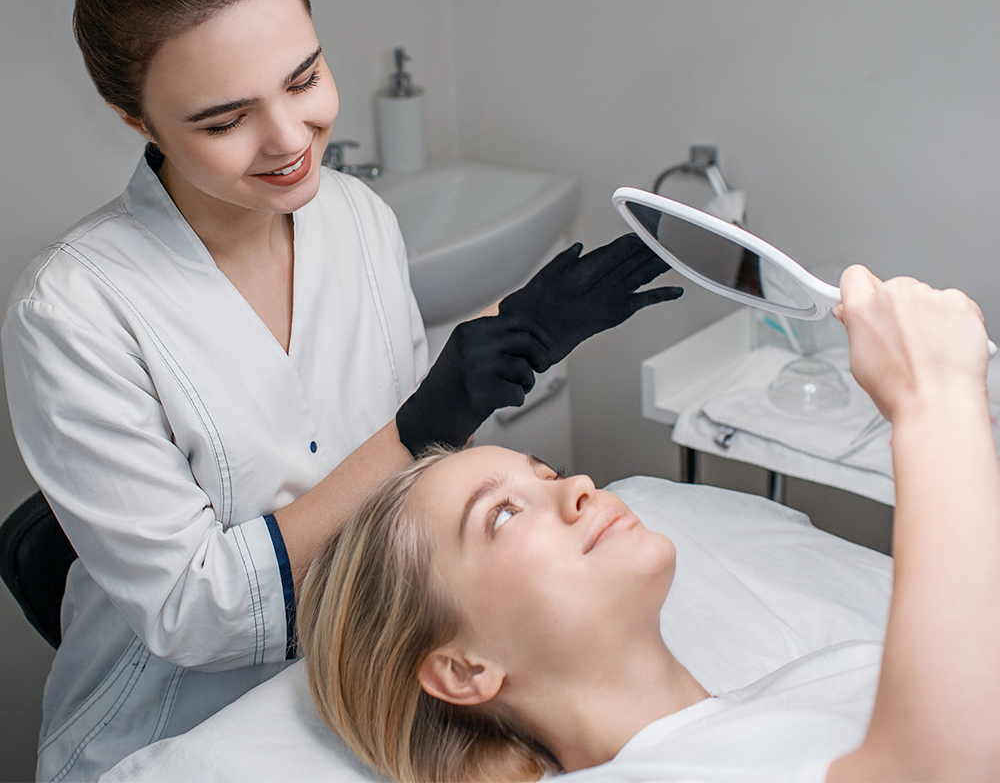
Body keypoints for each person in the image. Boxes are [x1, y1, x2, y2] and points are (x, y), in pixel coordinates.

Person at [0, 0, 683, 782]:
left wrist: (513, 337)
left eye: (305, 77)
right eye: (225, 118)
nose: (288, 139)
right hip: (171, 731)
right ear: (136, 118)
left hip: (358, 687)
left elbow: (400, 486)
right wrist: (420, 428)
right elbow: (195, 615)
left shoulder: (357, 219)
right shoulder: (74, 312)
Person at [298, 266, 1000, 783]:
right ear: (462, 669)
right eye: (503, 514)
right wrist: (934, 401)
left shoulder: (800, 682)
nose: (576, 485)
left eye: (545, 474)